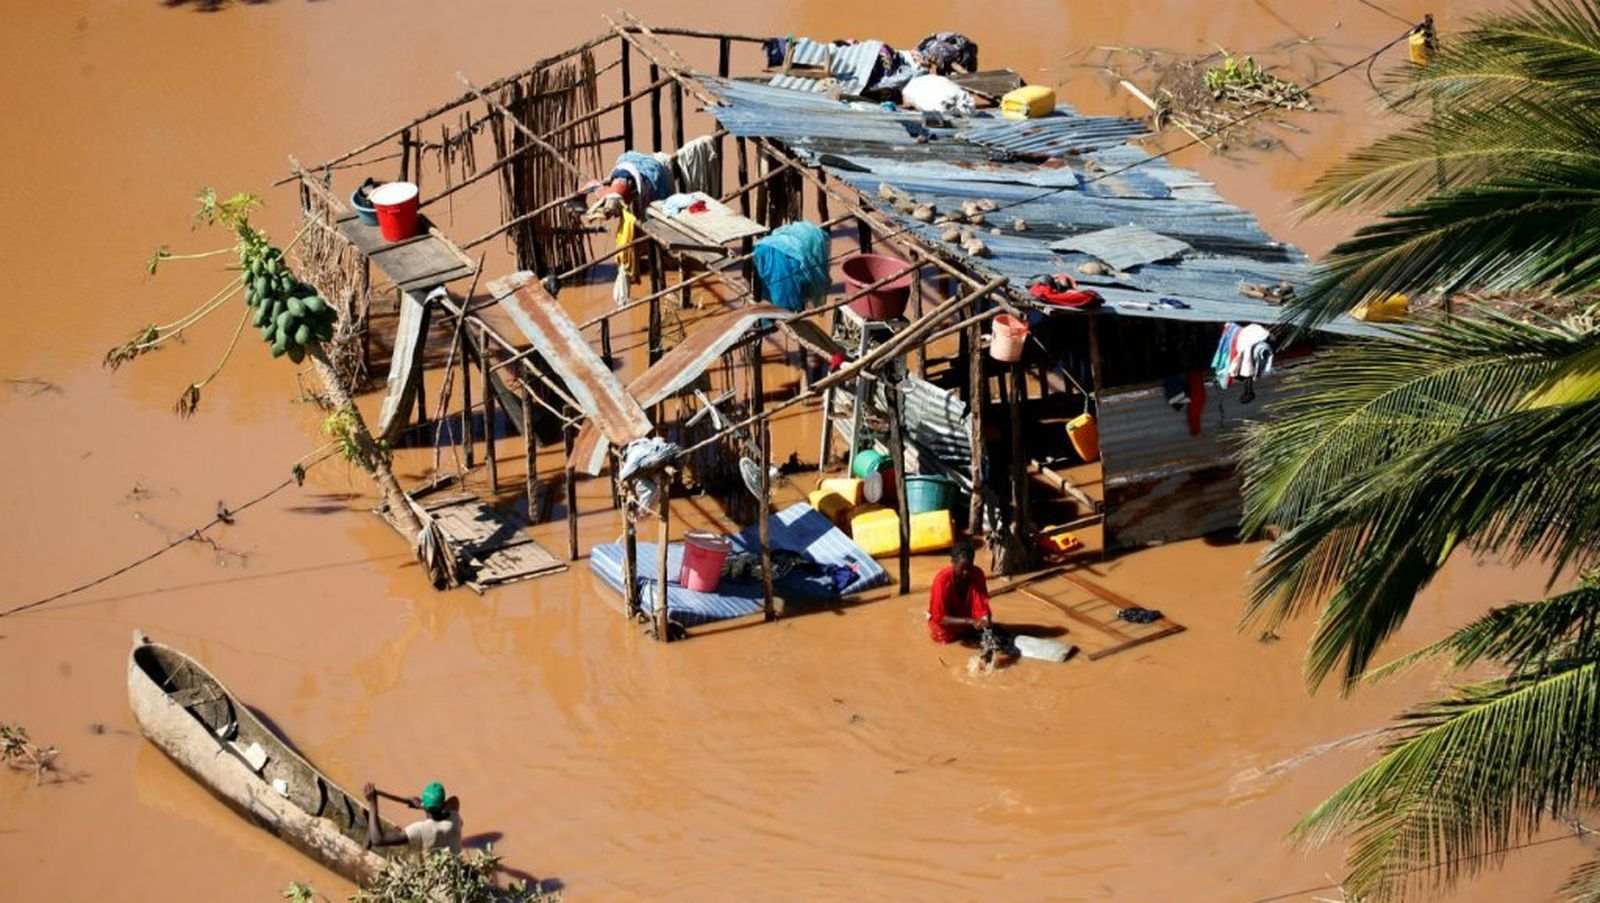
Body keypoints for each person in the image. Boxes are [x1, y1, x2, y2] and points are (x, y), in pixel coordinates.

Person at [363, 780, 463, 856]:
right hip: (453, 866)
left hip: (430, 873)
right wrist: (423, 806)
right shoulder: (455, 818)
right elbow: (454, 801)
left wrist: (372, 802)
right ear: (444, 804)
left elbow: (378, 840)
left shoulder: (420, 829)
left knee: (399, 835)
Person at [927, 540, 992, 643]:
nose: (966, 572)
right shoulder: (942, 581)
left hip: (968, 626)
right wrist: (969, 621)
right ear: (953, 563)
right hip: (945, 631)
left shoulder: (977, 574)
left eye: (969, 568)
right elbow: (939, 617)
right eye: (962, 568)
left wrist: (985, 619)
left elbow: (982, 605)